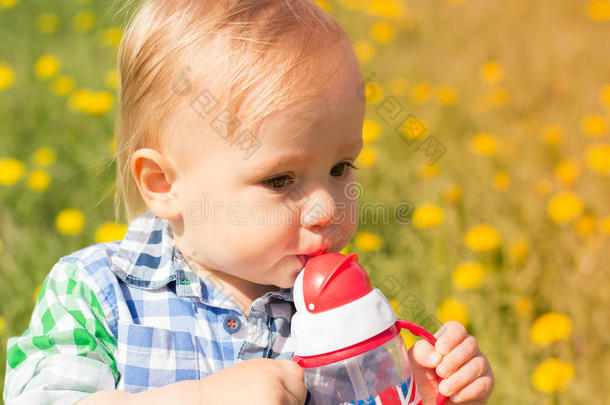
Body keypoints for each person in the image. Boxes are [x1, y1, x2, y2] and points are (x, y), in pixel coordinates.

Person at [3, 0, 494, 404]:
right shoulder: (99, 294)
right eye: (280, 180)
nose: (327, 208)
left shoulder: (331, 313)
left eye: (341, 168)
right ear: (163, 184)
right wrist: (202, 398)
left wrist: (418, 390)